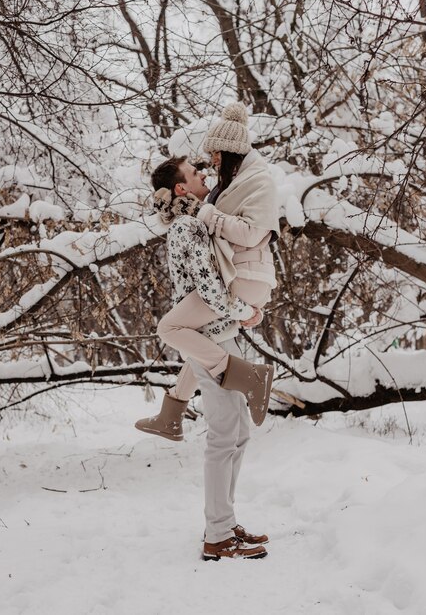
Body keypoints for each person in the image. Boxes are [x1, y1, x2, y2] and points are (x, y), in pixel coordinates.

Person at [136, 103, 280, 560]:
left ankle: (226, 523)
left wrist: (239, 313)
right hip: (213, 332)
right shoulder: (187, 227)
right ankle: (217, 535)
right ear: (182, 187)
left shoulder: (196, 216)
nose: (204, 172)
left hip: (216, 330)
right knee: (224, 433)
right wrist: (242, 310)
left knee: (237, 431)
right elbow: (209, 286)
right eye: (194, 171)